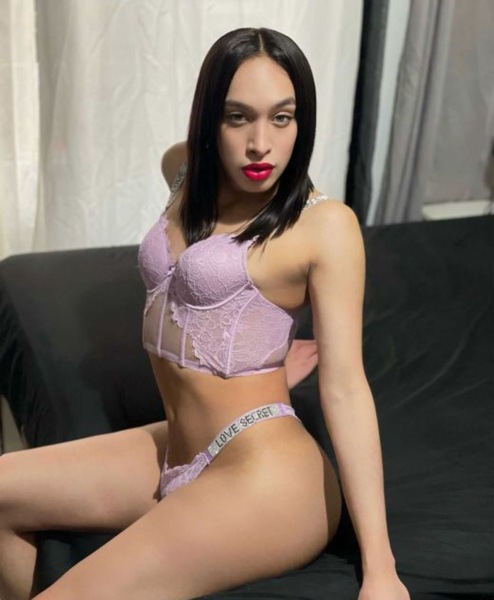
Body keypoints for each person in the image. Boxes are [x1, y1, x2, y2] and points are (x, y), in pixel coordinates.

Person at [0, 27, 410, 600]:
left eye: (282, 118)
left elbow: (345, 389)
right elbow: (177, 163)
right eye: (238, 117)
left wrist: (381, 568)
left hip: (269, 477)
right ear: (209, 119)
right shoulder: (186, 173)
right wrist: (261, 353)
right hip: (176, 446)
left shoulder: (324, 226)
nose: (260, 144)